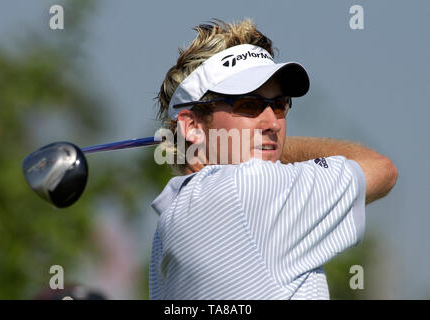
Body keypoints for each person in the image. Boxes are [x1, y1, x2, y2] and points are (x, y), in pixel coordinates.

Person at [149, 19, 398, 299]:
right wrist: (272, 147)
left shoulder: (172, 214)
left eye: (279, 105)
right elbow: (381, 169)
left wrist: (254, 142)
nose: (273, 123)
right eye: (249, 105)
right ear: (192, 125)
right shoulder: (252, 189)